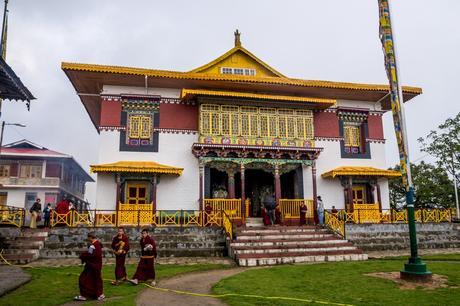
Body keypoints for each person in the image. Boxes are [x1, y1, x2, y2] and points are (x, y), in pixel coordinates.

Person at [74, 232, 104, 301]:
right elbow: (92, 254)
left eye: (88, 238)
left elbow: (90, 255)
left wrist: (82, 256)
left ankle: (84, 295)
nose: (88, 239)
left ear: (90, 237)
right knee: (96, 280)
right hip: (97, 265)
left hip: (92, 266)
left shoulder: (93, 246)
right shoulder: (98, 244)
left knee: (83, 279)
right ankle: (99, 294)